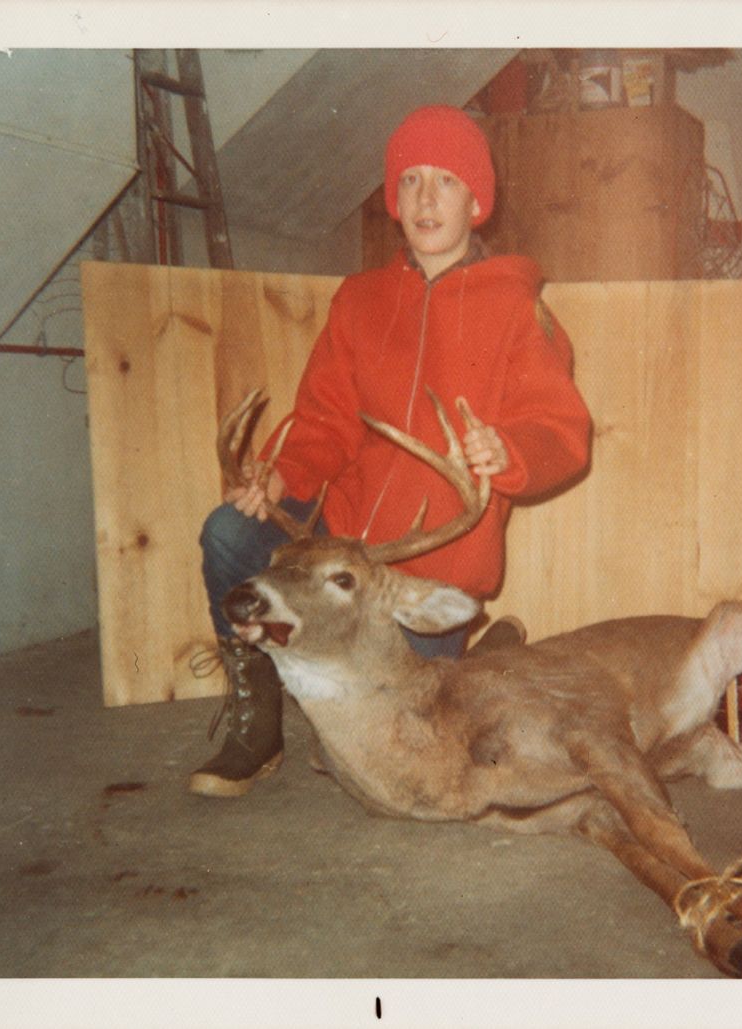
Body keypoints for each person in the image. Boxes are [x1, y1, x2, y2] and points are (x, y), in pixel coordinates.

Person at [190, 104, 592, 797]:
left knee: (395, 750)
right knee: (229, 531)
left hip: (424, 570)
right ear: (393, 198)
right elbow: (325, 423)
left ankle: (485, 654)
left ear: (476, 200)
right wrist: (281, 474)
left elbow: (562, 433)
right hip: (337, 555)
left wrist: (509, 450)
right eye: (410, 181)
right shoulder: (360, 300)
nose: (426, 199)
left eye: (445, 181)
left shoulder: (517, 310)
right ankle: (257, 725)